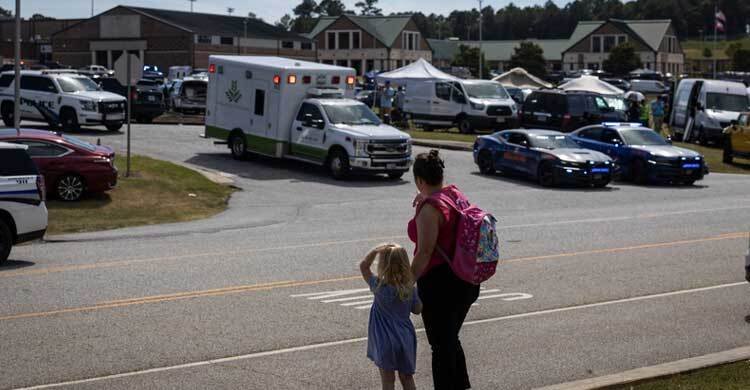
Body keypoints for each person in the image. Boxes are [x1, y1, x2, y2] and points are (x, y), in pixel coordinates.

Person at [408, 150, 480, 390]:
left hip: (442, 285)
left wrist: (405, 282)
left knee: (440, 345)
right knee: (450, 339)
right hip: (467, 279)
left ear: (419, 180)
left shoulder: (430, 209)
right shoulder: (454, 194)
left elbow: (425, 253)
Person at [360, 243, 422, 390]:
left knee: (388, 381)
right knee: (407, 378)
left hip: (384, 340)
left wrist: (375, 250)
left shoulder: (379, 287)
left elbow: (364, 266)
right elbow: (418, 310)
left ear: (383, 265)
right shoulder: (409, 289)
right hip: (405, 338)